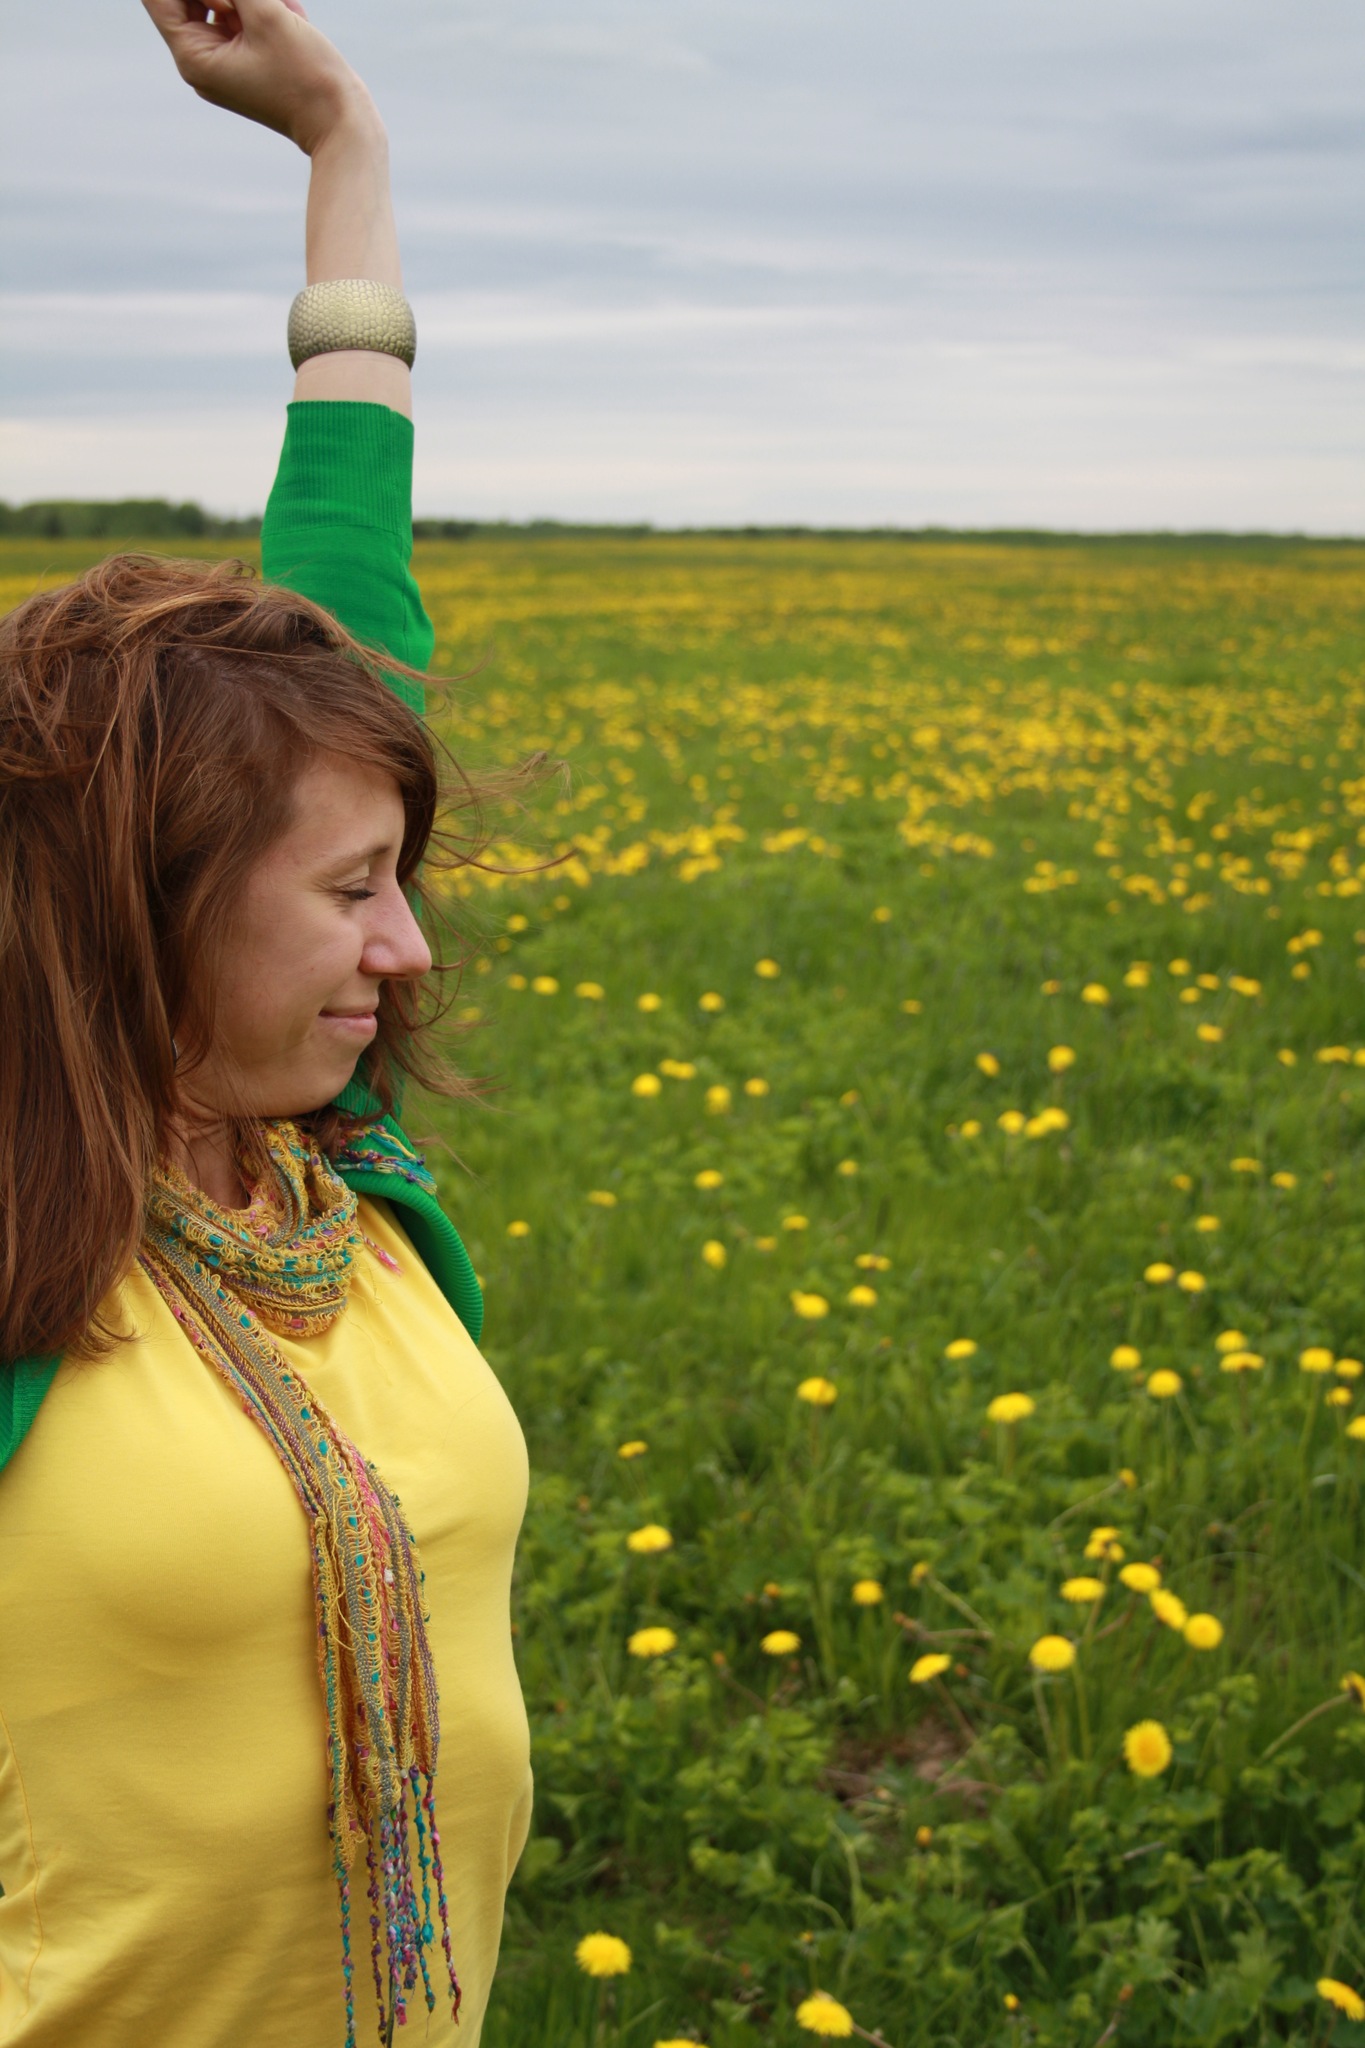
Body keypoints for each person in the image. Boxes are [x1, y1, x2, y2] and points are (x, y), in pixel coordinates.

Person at [0, 4, 533, 2043]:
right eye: (349, 890)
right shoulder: (26, 1249)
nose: (405, 947)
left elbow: (340, 585)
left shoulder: (332, 1179)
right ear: (145, 898)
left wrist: (340, 139)